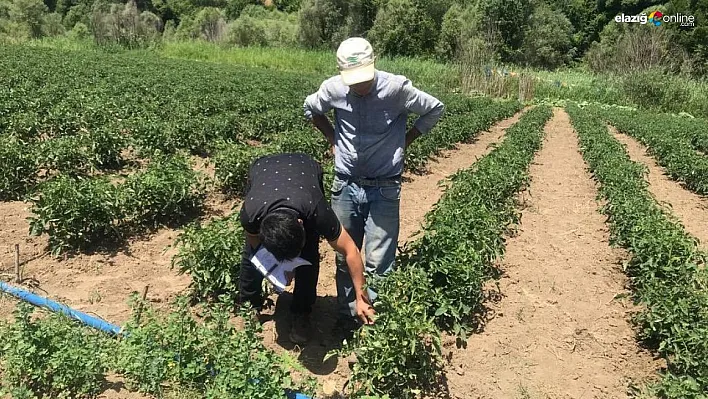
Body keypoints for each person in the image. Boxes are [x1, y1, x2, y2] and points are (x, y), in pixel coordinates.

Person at [303, 37, 445, 331]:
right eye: (353, 81)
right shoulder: (333, 89)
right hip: (345, 184)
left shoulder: (397, 88)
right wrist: (333, 139)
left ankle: (374, 320)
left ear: (374, 64)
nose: (359, 87)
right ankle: (347, 315)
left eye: (364, 79)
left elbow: (435, 109)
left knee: (379, 260)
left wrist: (406, 141)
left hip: (384, 185)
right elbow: (310, 109)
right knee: (345, 254)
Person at [238, 152, 375, 345]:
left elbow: (351, 250)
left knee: (308, 254)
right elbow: (254, 243)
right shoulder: (251, 214)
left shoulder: (317, 211)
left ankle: (302, 311)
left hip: (305, 166)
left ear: (301, 223)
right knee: (251, 257)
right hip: (263, 168)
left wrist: (362, 299)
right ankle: (249, 306)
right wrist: (272, 268)